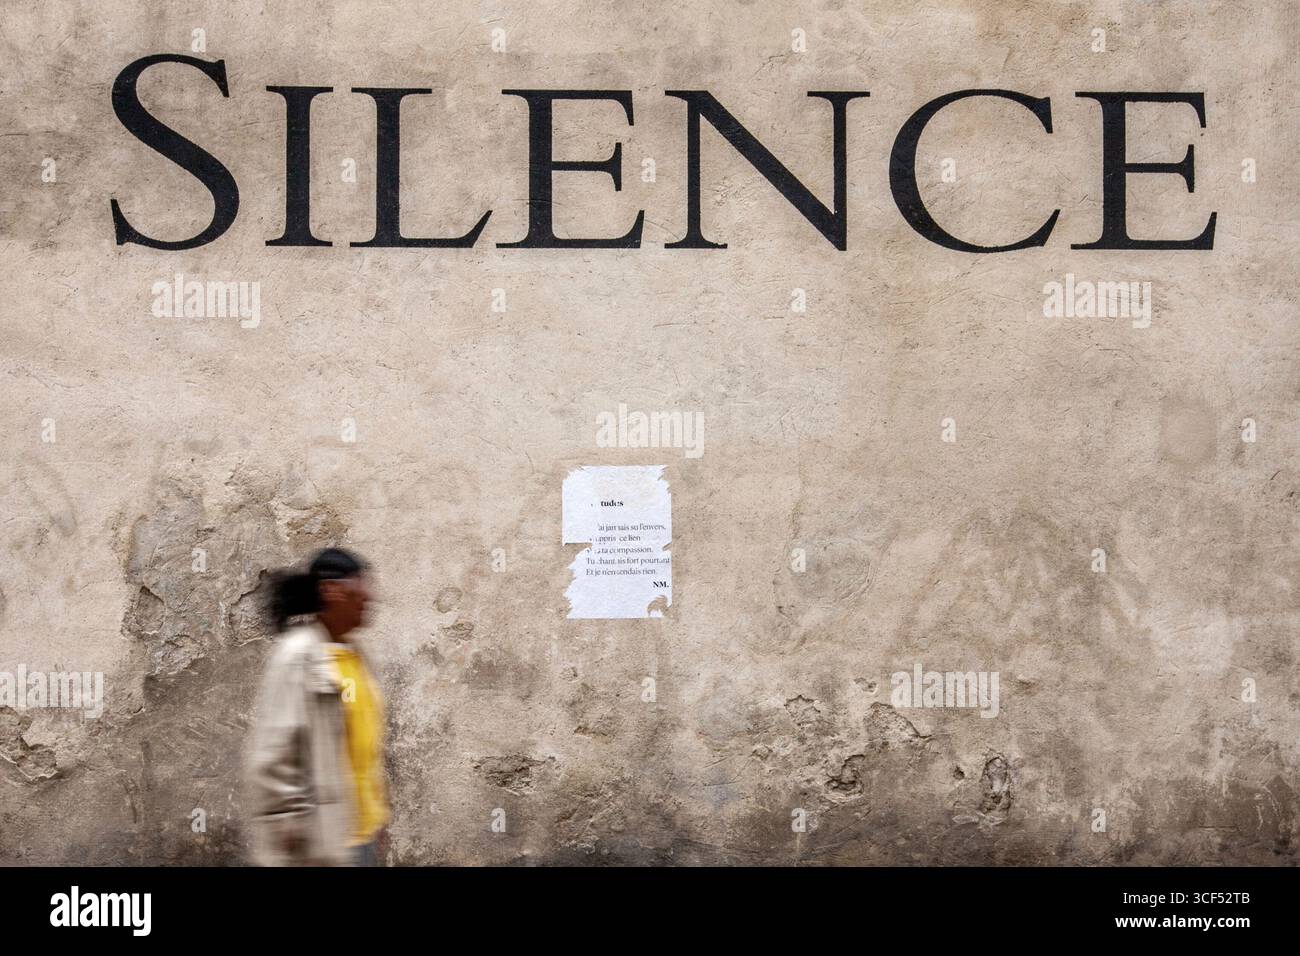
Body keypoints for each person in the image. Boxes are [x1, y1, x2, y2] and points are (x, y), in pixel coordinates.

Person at [244, 547, 389, 866]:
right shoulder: (298, 656)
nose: (368, 596)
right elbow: (272, 757)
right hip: (321, 844)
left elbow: (364, 748)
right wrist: (292, 833)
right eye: (360, 585)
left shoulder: (355, 655)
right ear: (331, 590)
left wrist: (378, 820)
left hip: (360, 837)